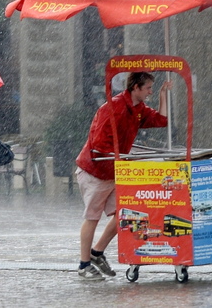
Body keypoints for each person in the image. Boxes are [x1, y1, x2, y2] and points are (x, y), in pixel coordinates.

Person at [74, 72, 173, 279]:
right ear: (136, 87)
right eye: (148, 88)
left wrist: (164, 95)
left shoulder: (139, 109)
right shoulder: (114, 107)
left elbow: (161, 121)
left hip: (114, 172)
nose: (150, 92)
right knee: (92, 217)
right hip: (96, 171)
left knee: (125, 212)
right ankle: (84, 264)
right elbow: (100, 143)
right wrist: (122, 158)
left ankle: (97, 252)